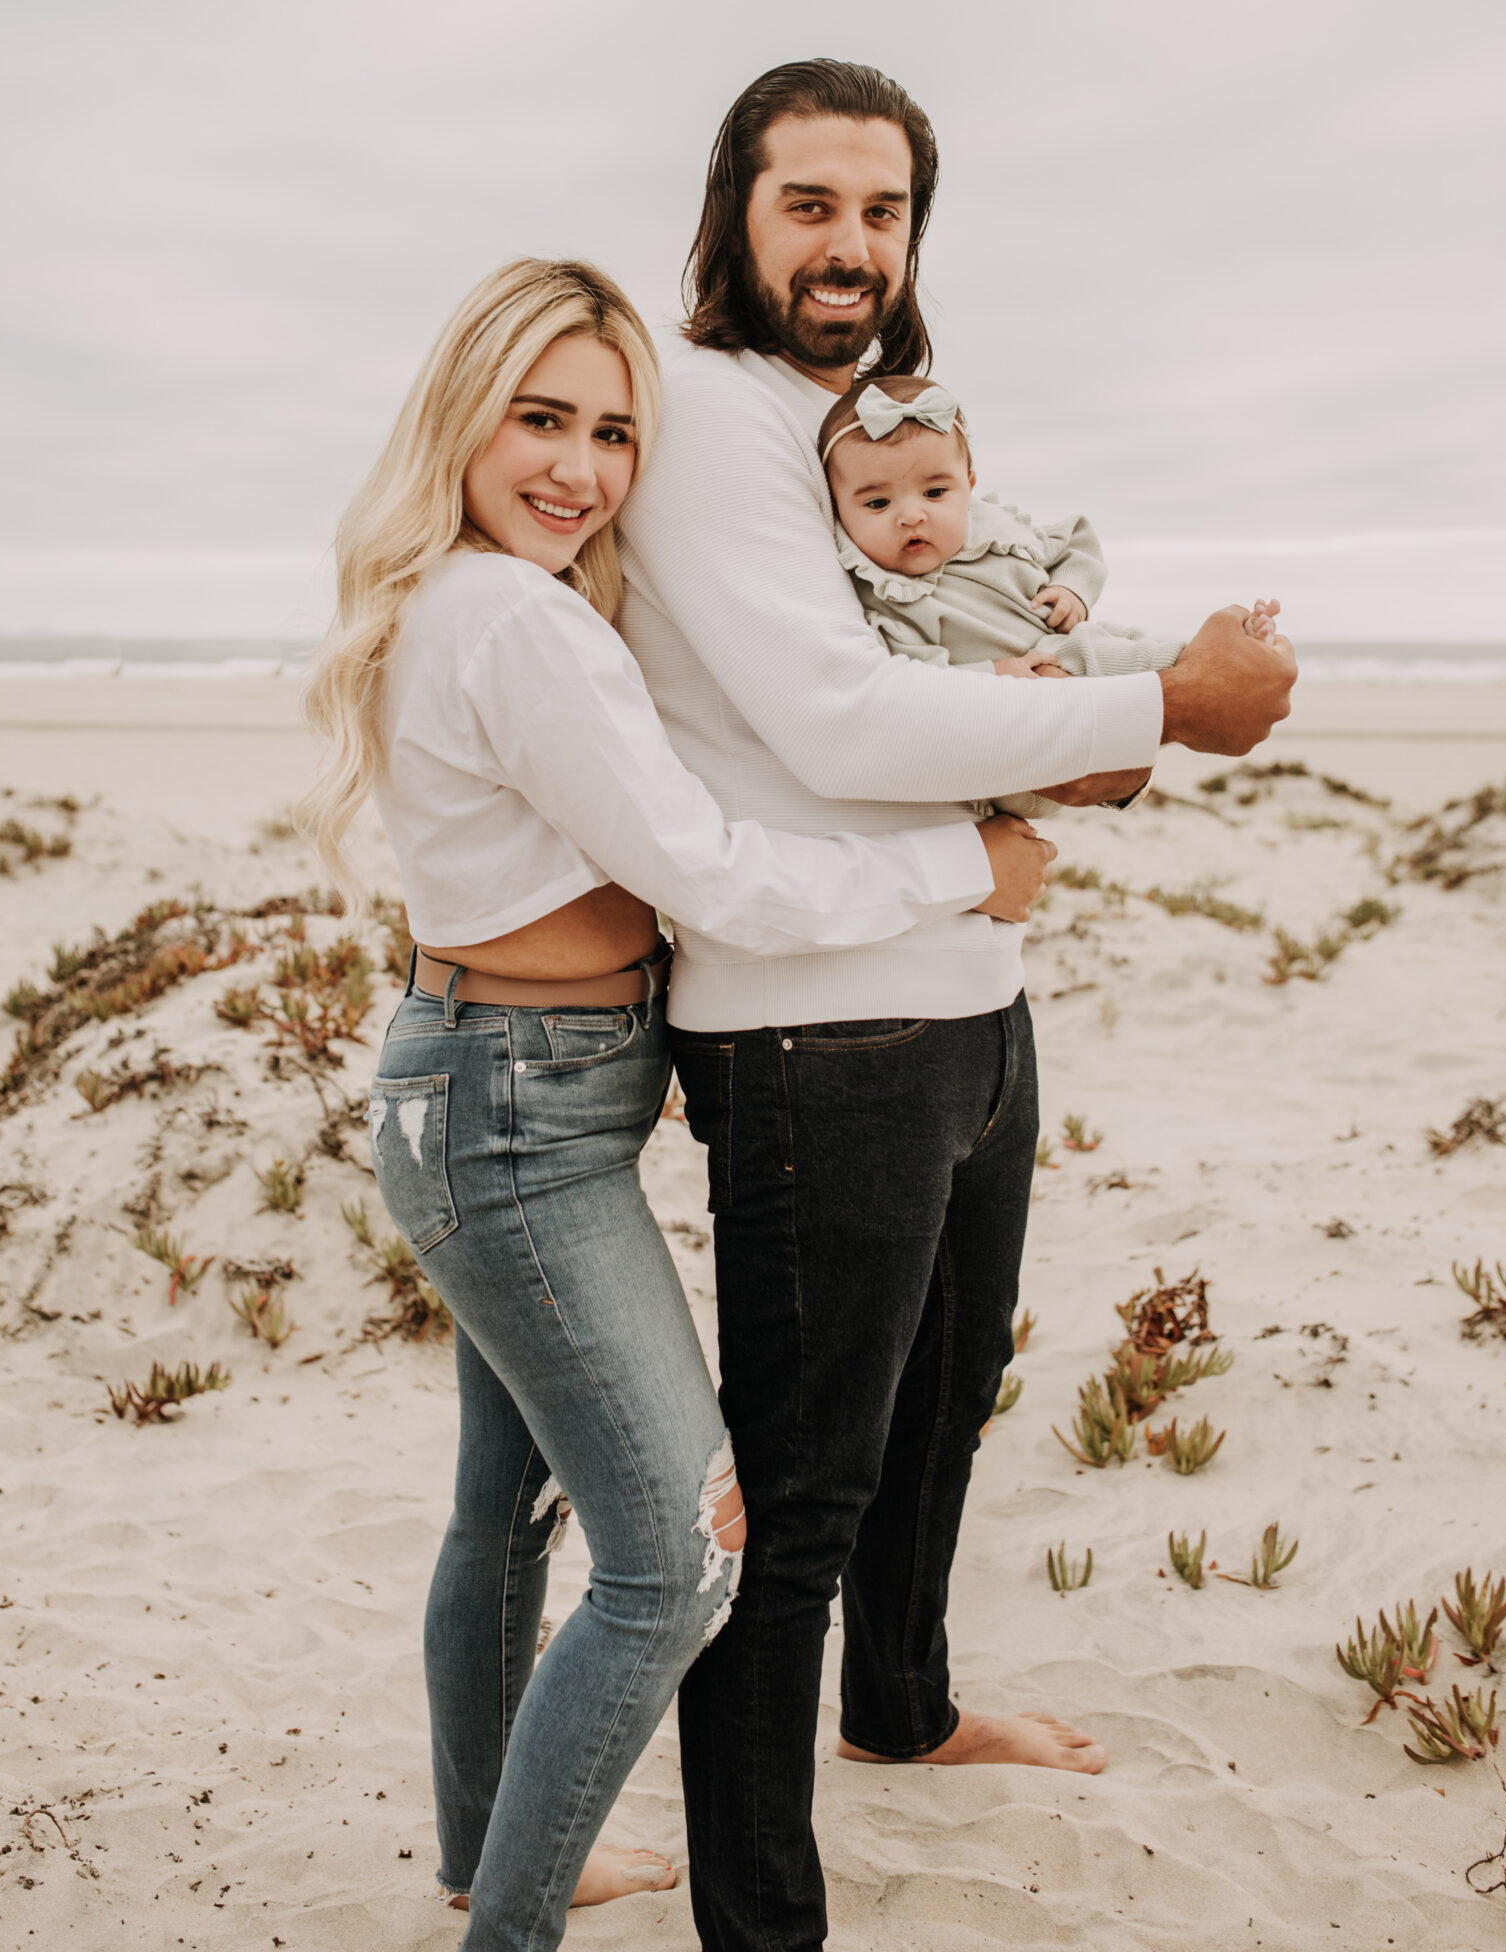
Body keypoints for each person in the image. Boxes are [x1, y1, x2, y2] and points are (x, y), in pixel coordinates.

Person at [615, 57, 1297, 1952]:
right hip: (812, 1028)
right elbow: (833, 720)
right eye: (808, 203)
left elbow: (940, 674)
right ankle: (764, 1920)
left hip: (964, 992)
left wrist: (1064, 732)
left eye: (883, 210)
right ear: (733, 214)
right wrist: (1161, 711)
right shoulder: (707, 419)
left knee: (944, 1401)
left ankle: (901, 1712)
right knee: (805, 1489)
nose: (849, 245)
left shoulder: (860, 425)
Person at [297, 255, 1054, 1952]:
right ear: (462, 418)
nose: (578, 466)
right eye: (540, 419)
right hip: (511, 1118)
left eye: (615, 432)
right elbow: (705, 869)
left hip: (499, 1092)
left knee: (510, 1505)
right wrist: (964, 866)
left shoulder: (500, 597)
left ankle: (488, 1856)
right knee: (678, 1558)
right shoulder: (513, 619)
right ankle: (507, 1919)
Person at [819, 369, 1282, 816]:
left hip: (1069, 675)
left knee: (1122, 647)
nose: (911, 515)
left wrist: (1071, 590)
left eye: (936, 492)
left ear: (969, 487)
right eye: (878, 503)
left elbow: (1077, 542)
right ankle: (1203, 674)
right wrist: (995, 673)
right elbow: (913, 679)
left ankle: (1230, 651)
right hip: (1013, 745)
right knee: (1080, 659)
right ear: (838, 511)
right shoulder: (886, 596)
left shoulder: (996, 531)